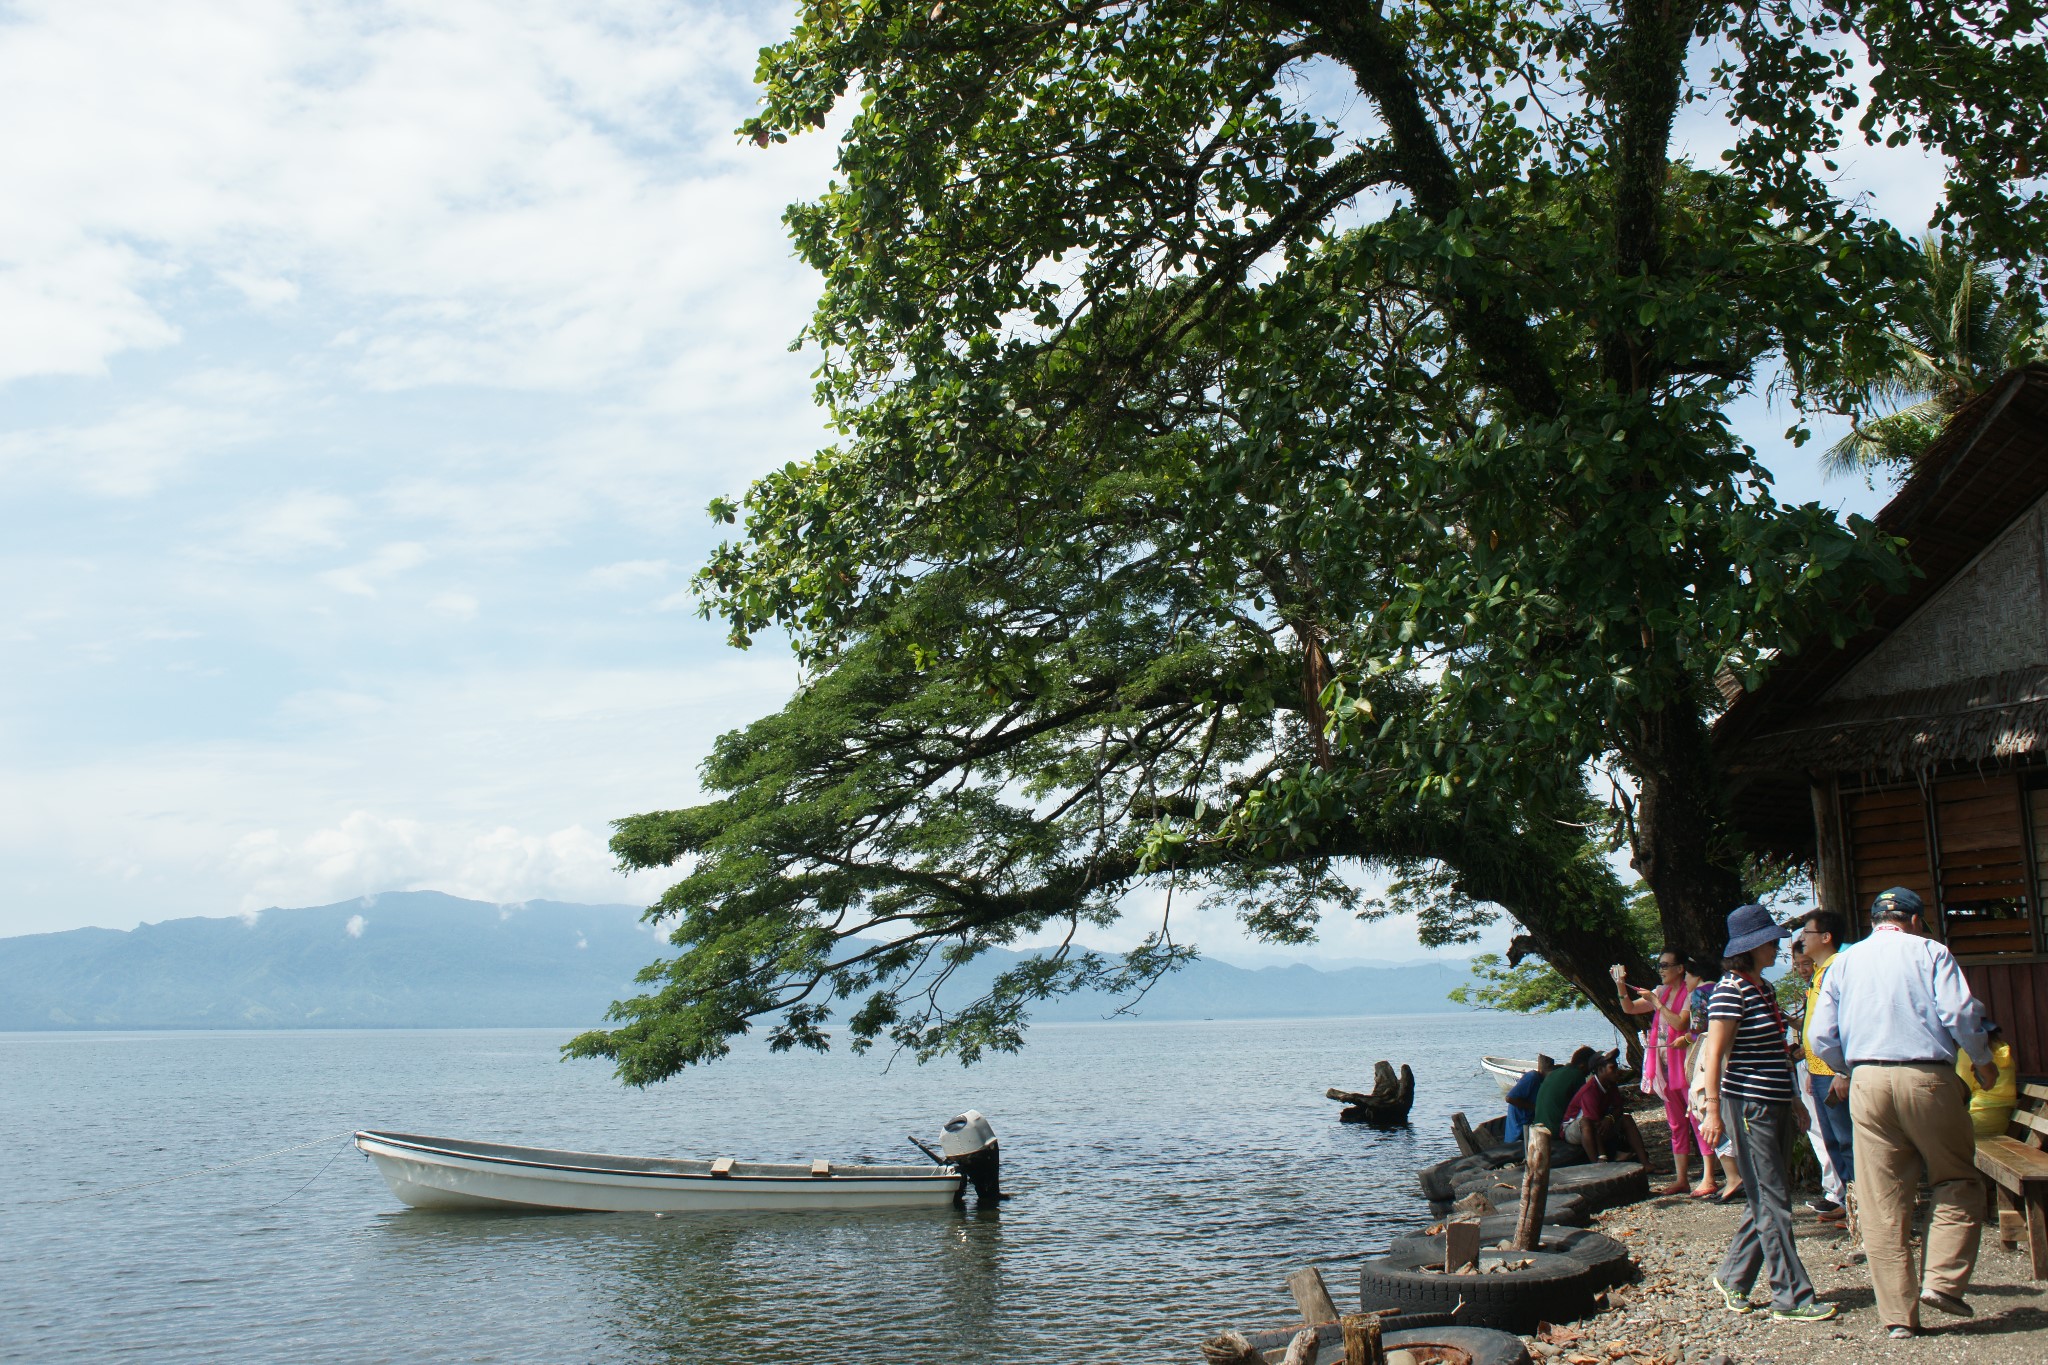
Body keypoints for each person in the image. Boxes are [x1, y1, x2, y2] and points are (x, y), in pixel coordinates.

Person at [1810, 886, 1997, 1339]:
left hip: (1866, 1081)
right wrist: (1983, 1060)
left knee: (1881, 1201)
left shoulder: (1845, 963)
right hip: (1927, 1076)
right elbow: (1957, 1012)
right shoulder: (1931, 951)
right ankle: (1943, 1282)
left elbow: (1820, 1037)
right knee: (1956, 1178)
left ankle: (1898, 1318)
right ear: (1914, 920)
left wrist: (1845, 1066)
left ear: (1874, 922)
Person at [1698, 903, 1836, 1322]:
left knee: (1765, 1197)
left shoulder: (1764, 988)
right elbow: (1715, 1055)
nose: (1779, 946)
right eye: (1772, 940)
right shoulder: (1729, 990)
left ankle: (1734, 1276)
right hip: (1747, 1107)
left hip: (1776, 1102)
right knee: (1774, 1200)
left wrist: (1795, 1100)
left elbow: (1778, 1051)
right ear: (1752, 945)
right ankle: (1790, 1297)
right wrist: (1712, 1112)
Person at [1616, 951, 1707, 1194]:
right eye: (1659, 965)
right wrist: (1620, 985)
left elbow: (1680, 1024)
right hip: (1664, 1067)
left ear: (1680, 968)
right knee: (1676, 1123)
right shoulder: (1660, 991)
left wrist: (1656, 1003)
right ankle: (1682, 1178)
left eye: (1666, 965)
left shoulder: (1689, 994)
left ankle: (1709, 1176)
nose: (1661, 969)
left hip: (1686, 1066)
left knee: (1698, 1118)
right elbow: (1629, 1008)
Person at [1796, 912, 1854, 1222]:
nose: (1802, 937)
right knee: (1831, 1139)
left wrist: (1842, 1070)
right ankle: (1845, 1199)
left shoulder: (1838, 969)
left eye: (1808, 932)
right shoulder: (1820, 972)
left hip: (1834, 1069)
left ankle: (1862, 1207)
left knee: (1847, 1139)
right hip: (1817, 1070)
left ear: (1826, 937)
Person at [1561, 1051, 1651, 1164]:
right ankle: (1597, 1163)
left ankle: (1645, 1163)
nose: (1617, 1072)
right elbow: (1593, 1122)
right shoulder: (1590, 1091)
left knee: (1626, 1119)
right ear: (1600, 1070)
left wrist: (1610, 1118)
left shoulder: (1610, 1084)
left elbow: (1619, 1107)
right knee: (1586, 1123)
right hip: (1574, 1129)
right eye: (1612, 1068)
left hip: (1599, 1122)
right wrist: (1603, 1155)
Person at [1959, 1021, 2018, 1138]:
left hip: (1976, 1119)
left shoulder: (1968, 1052)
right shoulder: (2004, 1050)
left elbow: (1961, 1089)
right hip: (2001, 1119)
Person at [1533, 1045, 1597, 1137]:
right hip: (1555, 1130)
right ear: (1583, 1065)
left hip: (1539, 1128)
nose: (1590, 1072)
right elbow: (1585, 1106)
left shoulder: (1555, 1073)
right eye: (1590, 1067)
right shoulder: (1577, 1075)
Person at [1503, 1054, 1553, 1144]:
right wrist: (1535, 1107)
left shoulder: (1541, 1083)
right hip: (1519, 1132)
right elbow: (1509, 1098)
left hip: (1527, 1126)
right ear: (1542, 1071)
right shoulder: (1532, 1077)